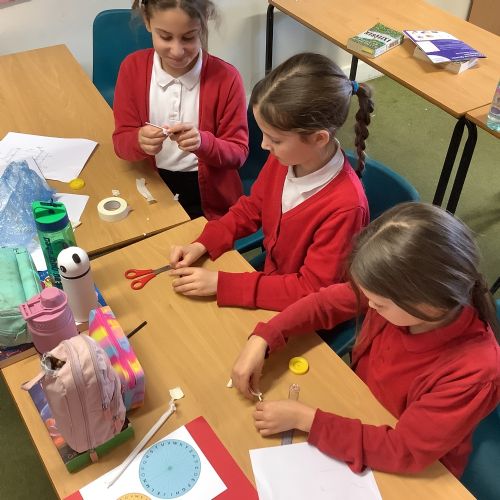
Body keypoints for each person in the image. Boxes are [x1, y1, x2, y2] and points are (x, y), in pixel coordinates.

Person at [231, 202, 500, 478]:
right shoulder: (403, 298)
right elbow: (325, 303)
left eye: (379, 304)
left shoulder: (475, 372)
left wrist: (307, 419)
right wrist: (265, 336)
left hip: (408, 463)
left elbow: (404, 451)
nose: (368, 305)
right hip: (361, 408)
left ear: (429, 305)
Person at [168, 52, 373, 311]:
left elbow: (312, 291)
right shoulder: (287, 158)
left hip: (305, 311)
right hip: (274, 281)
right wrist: (204, 242)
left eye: (275, 139)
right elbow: (252, 207)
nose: (264, 145)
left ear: (319, 139)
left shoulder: (346, 207)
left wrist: (223, 284)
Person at [113, 0, 248, 219]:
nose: (177, 51)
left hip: (209, 200)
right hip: (152, 189)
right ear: (147, 21)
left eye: (189, 37)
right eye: (165, 37)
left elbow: (238, 154)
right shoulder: (132, 69)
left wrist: (204, 143)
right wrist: (138, 140)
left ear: (204, 24)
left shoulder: (227, 79)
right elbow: (121, 142)